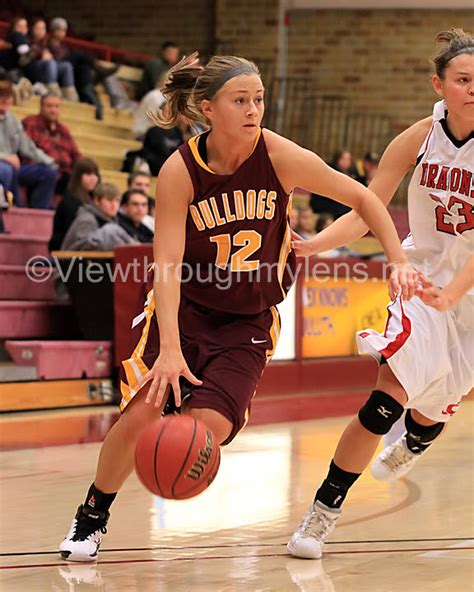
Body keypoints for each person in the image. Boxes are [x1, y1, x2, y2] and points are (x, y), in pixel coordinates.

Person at [59, 52, 419, 562]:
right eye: (241, 100)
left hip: (248, 318)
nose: (254, 110)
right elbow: (165, 263)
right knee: (141, 412)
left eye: (259, 99)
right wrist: (168, 353)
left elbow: (364, 199)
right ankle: (92, 515)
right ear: (208, 108)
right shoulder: (179, 171)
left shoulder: (277, 154)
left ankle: (173, 444)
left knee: (207, 429)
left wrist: (397, 257)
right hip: (183, 308)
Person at [287, 28, 474, 560]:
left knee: (435, 407)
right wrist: (315, 244)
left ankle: (416, 441)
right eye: (462, 80)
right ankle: (320, 515)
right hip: (422, 274)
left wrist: (454, 291)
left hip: (470, 288)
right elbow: (368, 209)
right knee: (384, 401)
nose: (473, 89)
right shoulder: (418, 137)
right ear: (439, 85)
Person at [0, 80, 57, 209]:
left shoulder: (12, 120)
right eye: (1, 96)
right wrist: (5, 157)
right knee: (5, 169)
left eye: (8, 97)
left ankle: (39, 216)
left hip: (15, 168)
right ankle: (12, 206)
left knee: (48, 173)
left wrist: (51, 162)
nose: (6, 100)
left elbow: (28, 147)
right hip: (5, 167)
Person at [22, 93, 81, 194]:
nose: (53, 110)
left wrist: (86, 169)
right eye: (49, 106)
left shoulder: (63, 129)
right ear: (41, 107)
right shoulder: (30, 123)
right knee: (52, 175)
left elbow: (76, 154)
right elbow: (26, 150)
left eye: (56, 106)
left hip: (65, 173)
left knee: (89, 176)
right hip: (41, 169)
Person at [61, 182, 136, 251]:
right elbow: (80, 249)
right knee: (111, 230)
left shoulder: (113, 220)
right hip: (74, 263)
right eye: (109, 200)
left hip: (96, 263)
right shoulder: (87, 219)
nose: (114, 205)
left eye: (117, 201)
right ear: (96, 201)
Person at [49, 157, 100, 251]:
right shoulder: (70, 201)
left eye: (95, 174)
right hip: (64, 250)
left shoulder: (93, 199)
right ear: (78, 176)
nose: (93, 178)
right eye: (88, 174)